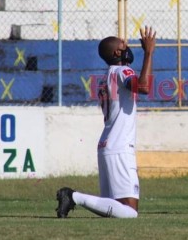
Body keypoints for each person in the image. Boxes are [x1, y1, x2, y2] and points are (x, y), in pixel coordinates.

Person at [55, 26, 156, 218]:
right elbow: (143, 87)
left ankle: (74, 197)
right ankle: (73, 196)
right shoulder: (122, 71)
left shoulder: (107, 76)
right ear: (118, 52)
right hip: (119, 145)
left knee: (113, 207)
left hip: (107, 145)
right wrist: (149, 52)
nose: (127, 46)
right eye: (123, 44)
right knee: (130, 212)